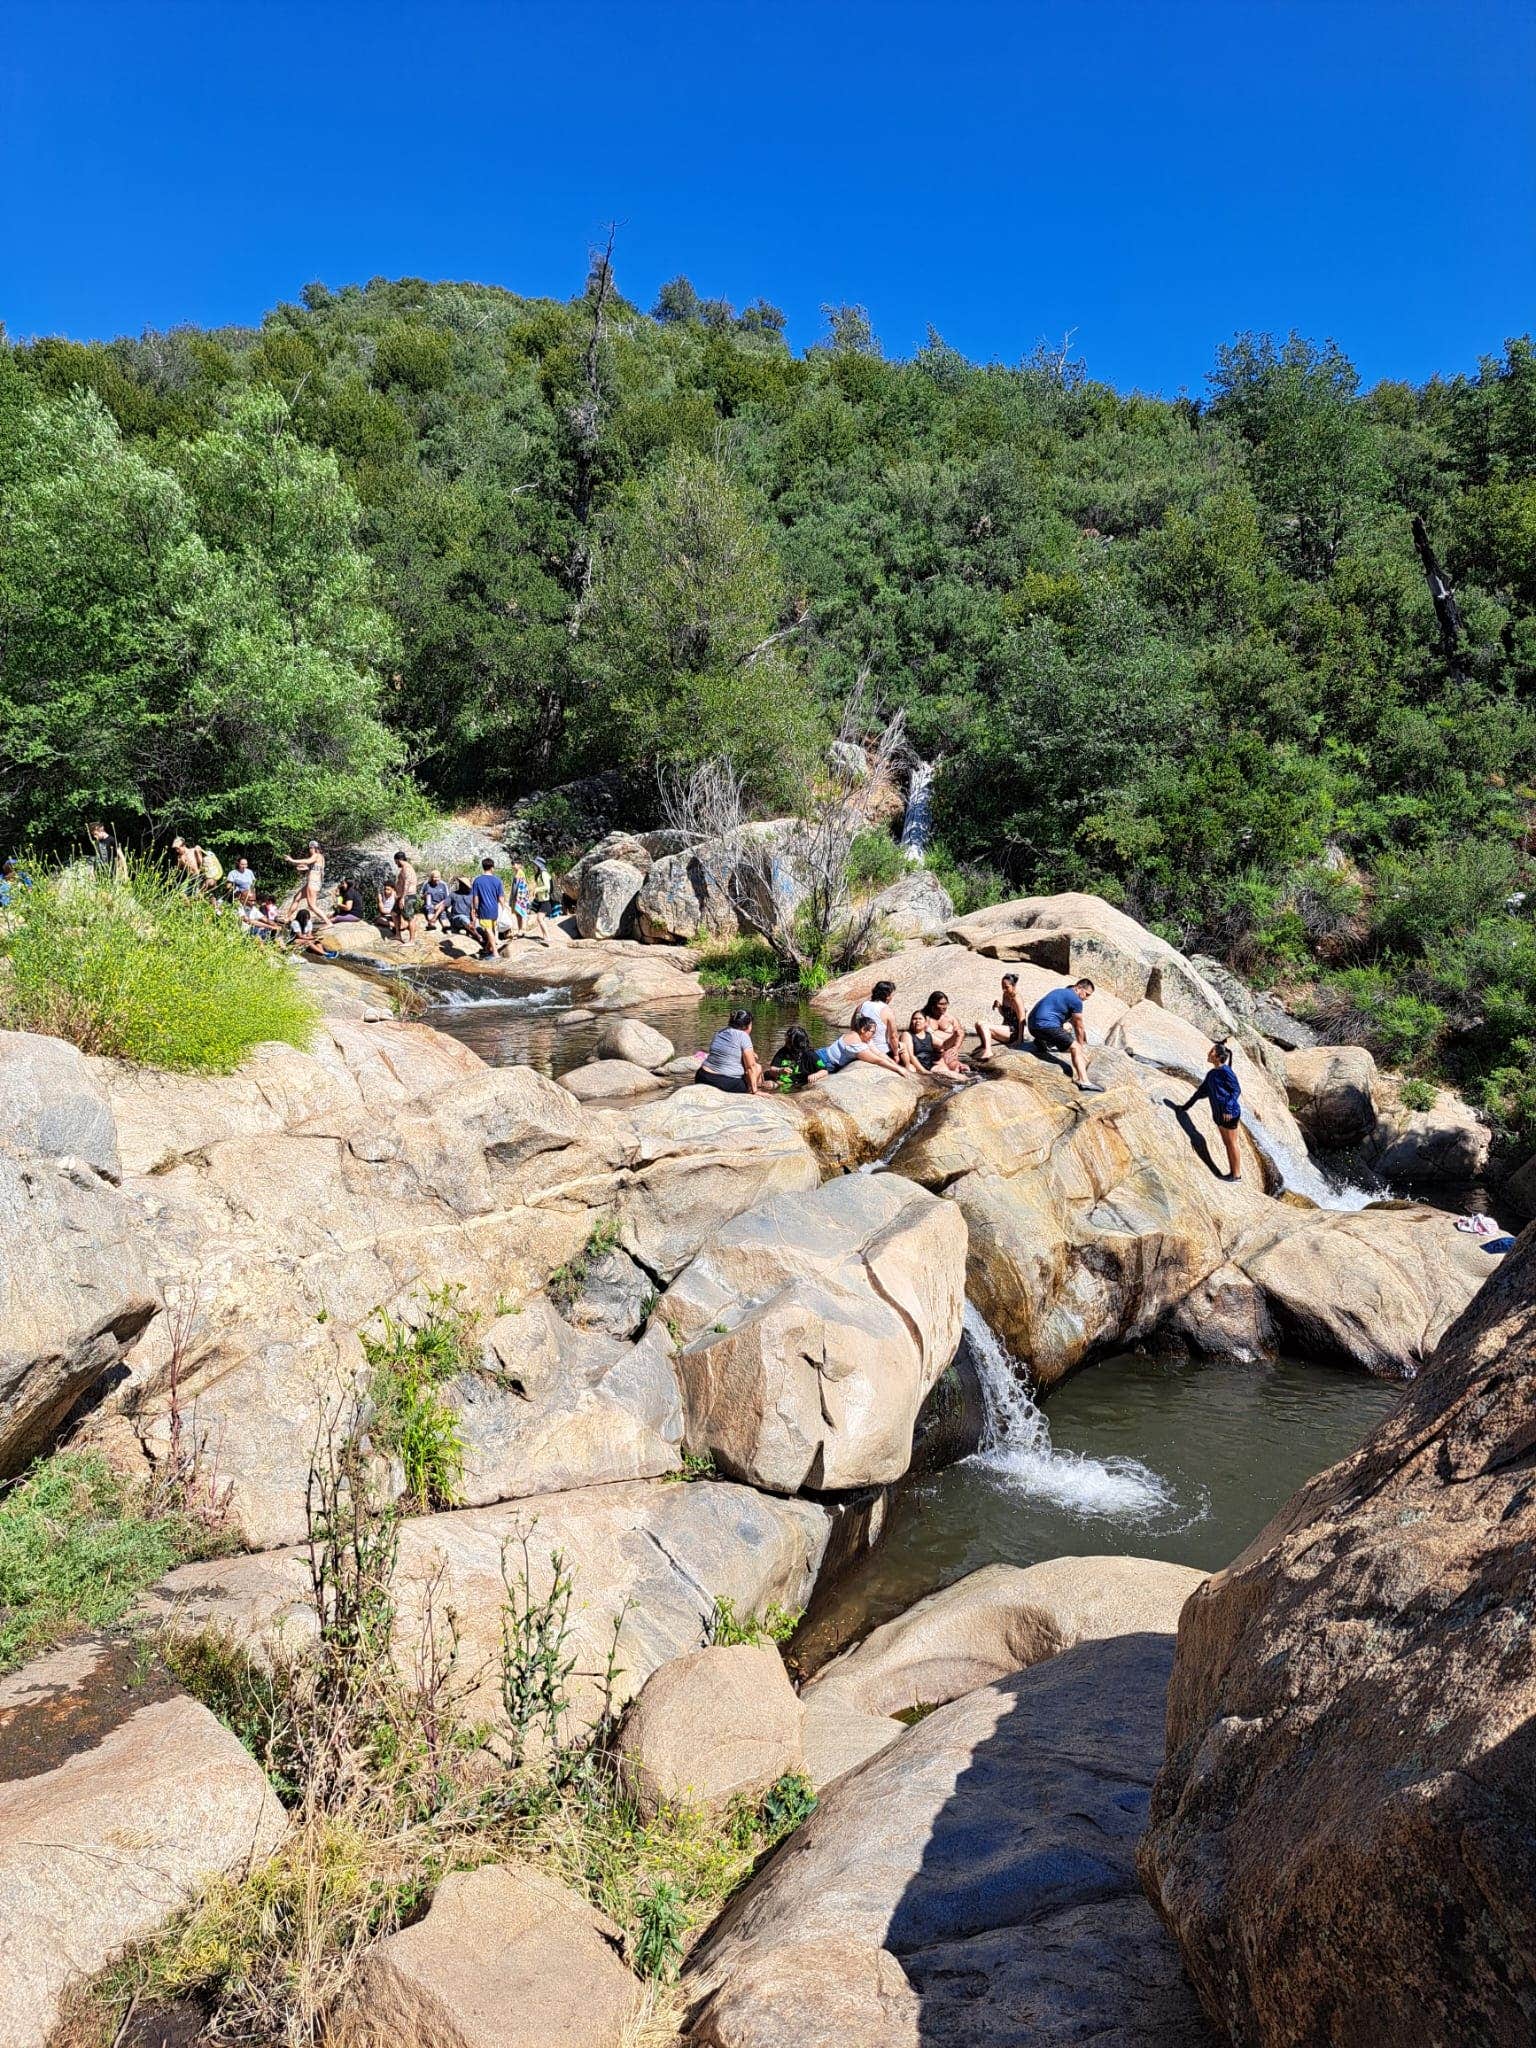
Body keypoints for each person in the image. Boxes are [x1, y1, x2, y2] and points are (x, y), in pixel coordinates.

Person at [1174, 1042, 1243, 1180]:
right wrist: (1184, 1107)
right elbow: (1201, 1092)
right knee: (1227, 1144)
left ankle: (1236, 1175)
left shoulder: (1226, 1072)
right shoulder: (1212, 1074)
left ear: (1218, 1056)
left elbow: (1236, 1090)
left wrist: (1228, 1108)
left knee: (1232, 1143)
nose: (1208, 1053)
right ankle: (1232, 1173)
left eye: (1211, 1051)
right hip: (1219, 1114)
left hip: (1229, 1113)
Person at [1026, 976, 1095, 1087]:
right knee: (1075, 1047)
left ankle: (1042, 1042)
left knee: (1066, 1028)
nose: (1086, 998)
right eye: (1086, 994)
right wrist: (1080, 1048)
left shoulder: (1059, 991)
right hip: (1046, 1026)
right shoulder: (1076, 1000)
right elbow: (1079, 1026)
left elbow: (1073, 1022)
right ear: (1078, 988)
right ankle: (1084, 1081)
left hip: (1033, 1027)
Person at [695, 1008, 765, 1095]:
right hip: (723, 1083)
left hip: (702, 1076)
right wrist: (755, 1091)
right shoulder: (743, 1035)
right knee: (757, 1068)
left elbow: (724, 1053)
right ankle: (750, 1092)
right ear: (748, 1025)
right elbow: (751, 1067)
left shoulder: (720, 1032)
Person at [816, 1015, 905, 1076]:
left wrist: (895, 1064)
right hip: (822, 1062)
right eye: (872, 1032)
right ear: (863, 1030)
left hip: (821, 1053)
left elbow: (879, 1053)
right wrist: (898, 1069)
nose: (873, 1035)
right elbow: (878, 1060)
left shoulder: (859, 1036)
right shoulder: (856, 1045)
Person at [974, 972, 1026, 1056]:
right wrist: (999, 1007)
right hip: (1005, 1029)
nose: (1004, 990)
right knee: (978, 1024)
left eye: (1006, 987)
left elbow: (1022, 1019)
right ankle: (984, 1045)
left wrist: (1020, 1039)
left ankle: (988, 1051)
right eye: (1002, 987)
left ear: (1013, 986)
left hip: (1013, 1032)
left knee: (985, 1026)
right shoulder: (1005, 995)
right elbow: (1005, 1014)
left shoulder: (1017, 998)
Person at [920, 991, 970, 1078]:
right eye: (941, 1004)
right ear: (933, 1004)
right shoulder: (923, 1018)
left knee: (957, 1066)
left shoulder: (950, 1018)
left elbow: (960, 1033)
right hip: (932, 1053)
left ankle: (960, 1068)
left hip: (948, 1051)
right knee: (944, 1068)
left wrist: (956, 1048)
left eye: (946, 1004)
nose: (944, 1007)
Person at [281, 842, 330, 927]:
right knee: (297, 897)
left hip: (313, 883)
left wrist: (292, 860)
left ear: (313, 848)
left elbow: (307, 861)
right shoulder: (320, 858)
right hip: (312, 883)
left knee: (312, 906)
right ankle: (287, 917)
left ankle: (328, 922)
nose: (309, 850)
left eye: (310, 848)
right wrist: (304, 868)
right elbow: (314, 868)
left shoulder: (317, 855)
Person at [470, 857, 507, 956]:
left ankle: (495, 953)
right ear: (492, 868)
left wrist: (474, 908)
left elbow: (475, 897)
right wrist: (504, 908)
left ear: (483, 867)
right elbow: (501, 897)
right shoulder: (497, 881)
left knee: (488, 930)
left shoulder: (477, 881)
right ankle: (488, 948)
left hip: (484, 909)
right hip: (494, 909)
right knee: (492, 929)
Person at [766, 1023, 819, 1090]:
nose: (785, 1040)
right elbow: (772, 1069)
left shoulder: (810, 1054)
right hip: (781, 1083)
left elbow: (824, 1070)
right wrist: (780, 1070)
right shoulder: (783, 1051)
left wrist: (816, 1075)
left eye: (787, 1039)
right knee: (768, 1082)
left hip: (801, 1085)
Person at [392, 851, 418, 943]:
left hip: (407, 897)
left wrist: (402, 898)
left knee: (410, 917)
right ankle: (398, 935)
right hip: (402, 896)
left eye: (395, 862)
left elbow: (407, 883)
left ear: (398, 860)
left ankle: (412, 941)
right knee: (394, 913)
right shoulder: (404, 868)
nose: (396, 864)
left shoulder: (407, 868)